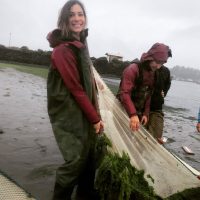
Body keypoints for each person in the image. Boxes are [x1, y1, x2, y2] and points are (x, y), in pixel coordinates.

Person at [46, 1, 103, 199]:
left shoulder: (81, 42)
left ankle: (85, 195)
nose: (77, 18)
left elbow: (85, 72)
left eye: (80, 14)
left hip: (83, 108)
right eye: (72, 15)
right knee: (75, 161)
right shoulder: (62, 50)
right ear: (65, 19)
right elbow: (75, 88)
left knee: (89, 157)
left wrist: (97, 84)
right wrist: (95, 119)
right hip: (68, 112)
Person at [117, 43, 172, 132]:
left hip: (138, 112)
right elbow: (124, 93)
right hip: (122, 109)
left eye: (161, 63)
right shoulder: (132, 69)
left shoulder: (153, 72)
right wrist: (133, 114)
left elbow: (149, 93)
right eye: (157, 62)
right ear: (150, 58)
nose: (158, 66)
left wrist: (146, 113)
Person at [146, 64, 171, 142]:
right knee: (141, 135)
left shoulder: (166, 71)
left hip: (157, 108)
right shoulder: (146, 67)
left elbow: (168, 83)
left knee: (157, 137)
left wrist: (164, 92)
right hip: (142, 107)